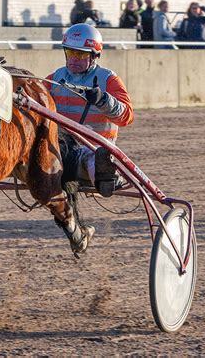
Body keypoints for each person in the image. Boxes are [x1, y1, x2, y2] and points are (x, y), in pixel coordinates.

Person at [44, 24, 134, 250]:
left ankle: (107, 175)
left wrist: (103, 100)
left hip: (94, 146)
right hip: (61, 147)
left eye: (80, 54)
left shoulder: (108, 80)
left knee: (92, 158)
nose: (73, 59)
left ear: (94, 55)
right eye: (70, 52)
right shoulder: (54, 78)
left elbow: (127, 116)